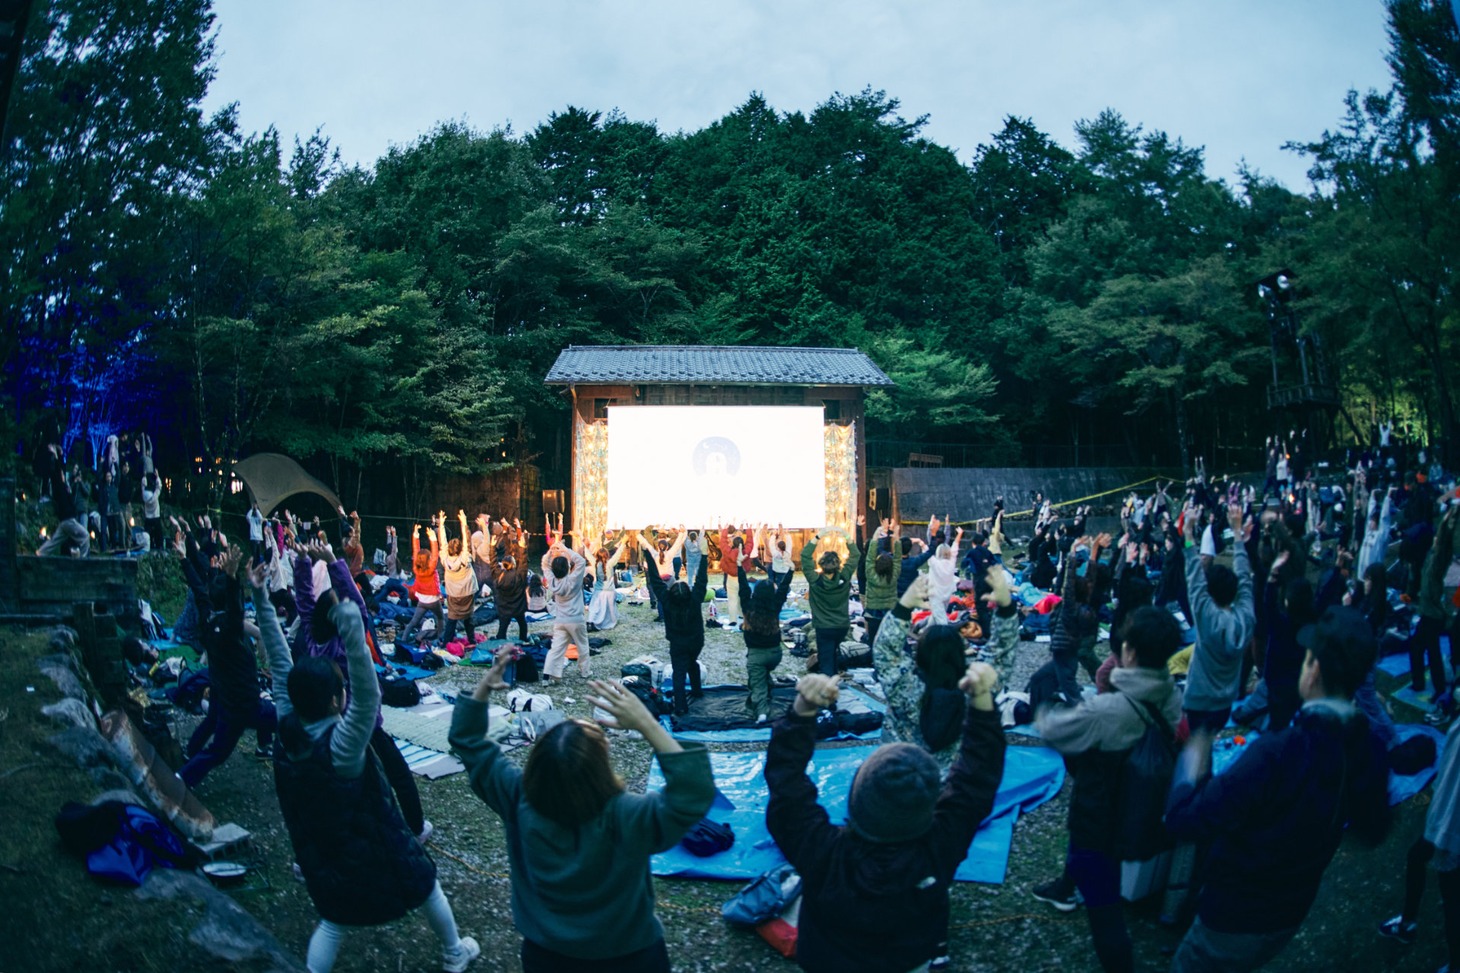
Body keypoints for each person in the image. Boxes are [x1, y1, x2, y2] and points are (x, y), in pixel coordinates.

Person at [249, 561, 479, 973]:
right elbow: (368, 689)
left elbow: (283, 666)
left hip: (325, 856)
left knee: (334, 921)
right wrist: (352, 626)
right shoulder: (343, 746)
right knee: (427, 886)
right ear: (338, 700)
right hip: (377, 848)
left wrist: (260, 599)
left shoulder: (287, 733)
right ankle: (453, 952)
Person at [449, 650, 713, 973]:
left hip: (547, 955)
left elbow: (468, 742)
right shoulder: (626, 816)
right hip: (630, 957)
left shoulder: (517, 798)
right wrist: (646, 722)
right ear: (601, 768)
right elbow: (693, 795)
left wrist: (483, 689)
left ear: (535, 765)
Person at [1164, 605, 1390, 973]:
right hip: (1290, 912)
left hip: (1234, 916)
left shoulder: (1278, 752)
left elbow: (1183, 820)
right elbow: (1374, 828)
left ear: (1313, 669)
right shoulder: (1368, 749)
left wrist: (1192, 761)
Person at [764, 663, 1006, 973]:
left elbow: (786, 783)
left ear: (855, 798)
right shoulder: (941, 846)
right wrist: (982, 702)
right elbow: (977, 779)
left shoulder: (823, 852)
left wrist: (803, 709)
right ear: (930, 807)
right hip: (909, 961)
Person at [1031, 606, 1185, 972]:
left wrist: (1044, 707)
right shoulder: (1170, 694)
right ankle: (1066, 886)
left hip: (1101, 814)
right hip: (1142, 803)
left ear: (1128, 651)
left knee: (1105, 909)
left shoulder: (1108, 709)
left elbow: (1053, 730)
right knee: (1090, 861)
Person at [296, 541, 430, 844]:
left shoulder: (312, 637)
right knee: (396, 774)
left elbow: (305, 602)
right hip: (359, 721)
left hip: (327, 724)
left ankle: (324, 843)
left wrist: (303, 562)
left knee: (336, 784)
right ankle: (416, 827)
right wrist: (333, 562)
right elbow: (356, 606)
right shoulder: (345, 644)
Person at [873, 573, 1019, 777]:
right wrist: (1006, 609)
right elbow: (1001, 653)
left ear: (920, 655)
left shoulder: (904, 688)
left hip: (901, 783)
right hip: (958, 788)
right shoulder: (976, 691)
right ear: (960, 655)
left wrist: (903, 607)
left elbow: (885, 651)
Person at [178, 546, 277, 784]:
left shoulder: (209, 619)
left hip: (223, 695)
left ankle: (185, 764)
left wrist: (184, 559)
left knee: (215, 738)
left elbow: (200, 591)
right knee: (284, 719)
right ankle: (182, 776)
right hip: (243, 703)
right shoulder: (231, 628)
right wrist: (232, 578)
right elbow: (235, 609)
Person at [1377, 716, 1460, 967]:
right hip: (1445, 821)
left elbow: (1452, 788)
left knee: (1452, 898)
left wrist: (1442, 833)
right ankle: (1408, 923)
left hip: (1450, 827)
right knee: (1416, 857)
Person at [1183, 503, 1256, 734]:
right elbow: (1245, 577)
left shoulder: (1206, 614)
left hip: (1198, 701)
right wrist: (1237, 534)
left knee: (1196, 751)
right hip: (1225, 702)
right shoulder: (1246, 617)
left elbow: (1193, 573)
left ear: (1209, 590)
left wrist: (1187, 534)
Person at [644, 548, 709, 715]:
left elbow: (656, 581)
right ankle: (697, 691)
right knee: (691, 662)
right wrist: (704, 555)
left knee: (679, 672)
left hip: (678, 643)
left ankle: (680, 706)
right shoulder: (695, 600)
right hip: (696, 642)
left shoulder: (667, 601)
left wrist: (648, 556)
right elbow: (702, 580)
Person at [739, 557, 793, 722]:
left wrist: (740, 568)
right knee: (761, 677)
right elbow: (783, 589)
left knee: (757, 685)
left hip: (756, 655)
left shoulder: (748, 605)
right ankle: (764, 692)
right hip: (775, 653)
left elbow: (743, 588)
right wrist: (790, 571)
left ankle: (762, 712)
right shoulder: (775, 605)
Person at [801, 525, 859, 677]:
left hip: (824, 627)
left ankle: (829, 691)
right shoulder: (845, 577)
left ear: (821, 565)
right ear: (838, 565)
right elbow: (855, 555)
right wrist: (847, 537)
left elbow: (805, 556)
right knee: (832, 654)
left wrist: (818, 537)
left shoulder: (815, 581)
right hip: (842, 626)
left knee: (826, 660)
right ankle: (834, 680)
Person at [541, 537, 589, 683]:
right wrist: (563, 549)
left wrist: (551, 551)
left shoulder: (553, 580)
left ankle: (547, 676)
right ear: (568, 568)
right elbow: (581, 561)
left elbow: (544, 565)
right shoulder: (574, 579)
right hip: (576, 619)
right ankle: (585, 672)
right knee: (582, 646)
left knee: (556, 649)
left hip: (560, 620)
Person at [35, 444, 89, 558]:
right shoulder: (59, 487)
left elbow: (60, 470)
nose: (64, 476)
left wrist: (60, 454)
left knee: (54, 541)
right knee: (85, 537)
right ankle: (84, 560)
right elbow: (57, 472)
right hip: (69, 520)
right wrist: (54, 455)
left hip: (64, 522)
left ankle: (40, 553)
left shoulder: (63, 487)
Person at [859, 520, 902, 645]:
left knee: (873, 640)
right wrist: (897, 537)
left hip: (872, 611)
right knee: (887, 639)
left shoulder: (871, 575)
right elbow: (898, 559)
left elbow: (870, 558)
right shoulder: (894, 576)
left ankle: (873, 659)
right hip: (889, 610)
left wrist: (876, 536)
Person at [400, 522, 443, 644]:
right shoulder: (431, 568)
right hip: (434, 601)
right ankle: (440, 640)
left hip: (422, 601)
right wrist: (433, 538)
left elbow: (415, 551)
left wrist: (415, 535)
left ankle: (403, 639)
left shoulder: (416, 568)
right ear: (428, 560)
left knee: (413, 622)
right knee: (440, 619)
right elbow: (435, 555)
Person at [439, 510, 478, 645]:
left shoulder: (445, 560)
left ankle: (446, 642)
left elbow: (442, 544)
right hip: (467, 592)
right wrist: (464, 523)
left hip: (453, 594)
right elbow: (466, 544)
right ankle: (471, 639)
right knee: (468, 617)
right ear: (460, 549)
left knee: (452, 618)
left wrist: (441, 524)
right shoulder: (465, 559)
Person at [491, 521, 530, 641]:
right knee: (522, 624)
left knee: (503, 626)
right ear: (513, 564)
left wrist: (492, 548)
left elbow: (492, 563)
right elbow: (523, 564)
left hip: (504, 607)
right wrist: (523, 549)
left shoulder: (498, 575)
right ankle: (523, 639)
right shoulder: (519, 576)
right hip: (518, 606)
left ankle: (500, 639)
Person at [585, 534, 626, 631]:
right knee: (610, 610)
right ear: (607, 555)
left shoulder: (595, 563)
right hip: (610, 591)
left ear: (597, 555)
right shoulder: (610, 563)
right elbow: (618, 554)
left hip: (599, 591)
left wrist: (579, 539)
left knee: (595, 608)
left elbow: (587, 553)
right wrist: (623, 543)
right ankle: (607, 623)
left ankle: (592, 621)